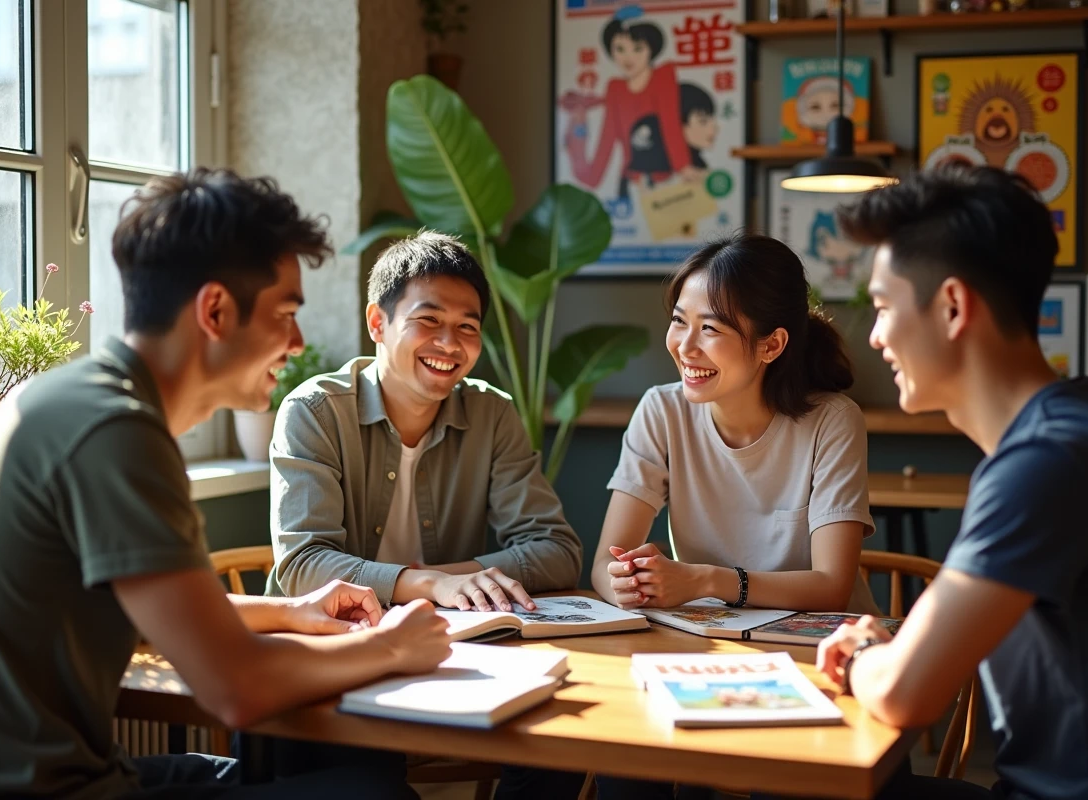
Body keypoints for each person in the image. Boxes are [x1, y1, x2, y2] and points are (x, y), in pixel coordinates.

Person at [0, 168, 452, 798]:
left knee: (310, 775)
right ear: (216, 311)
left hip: (64, 775)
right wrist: (393, 649)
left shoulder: (59, 398)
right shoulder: (115, 433)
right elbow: (236, 689)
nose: (298, 341)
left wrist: (291, 610)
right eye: (285, 313)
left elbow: (135, 612)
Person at [818, 166, 1088, 799]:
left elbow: (903, 694)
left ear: (952, 307)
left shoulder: (1047, 462)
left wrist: (865, 658)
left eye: (884, 306)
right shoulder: (1063, 435)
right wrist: (884, 646)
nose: (875, 336)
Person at [264, 230, 583, 797]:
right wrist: (427, 583)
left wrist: (451, 583)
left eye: (468, 327)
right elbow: (303, 565)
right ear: (378, 323)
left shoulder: (491, 414)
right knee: (369, 780)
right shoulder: (314, 411)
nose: (449, 342)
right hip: (334, 655)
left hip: (445, 653)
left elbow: (555, 550)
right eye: (428, 320)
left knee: (563, 741)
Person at [589, 232, 878, 799]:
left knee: (780, 777)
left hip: (817, 660)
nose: (684, 346)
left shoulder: (832, 422)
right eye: (680, 321)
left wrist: (703, 581)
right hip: (710, 656)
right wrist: (626, 580)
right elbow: (604, 561)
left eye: (712, 329)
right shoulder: (661, 410)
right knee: (626, 759)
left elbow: (832, 587)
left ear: (771, 346)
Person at [560, 5, 697, 200]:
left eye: (638, 48)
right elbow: (607, 138)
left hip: (668, 179)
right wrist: (588, 169)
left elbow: (670, 124)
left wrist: (683, 166)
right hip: (633, 182)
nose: (627, 57)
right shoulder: (615, 88)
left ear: (652, 49)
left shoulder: (663, 77)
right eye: (620, 49)